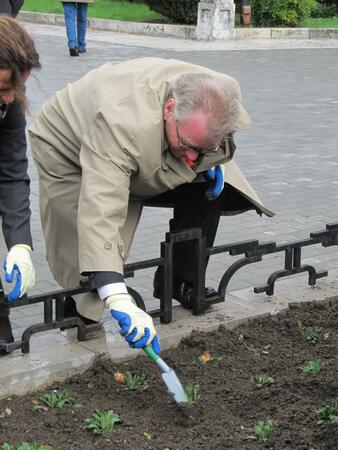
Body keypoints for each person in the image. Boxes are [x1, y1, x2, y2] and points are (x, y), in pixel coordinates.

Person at [29, 57, 273, 355]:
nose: (193, 160)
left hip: (140, 143)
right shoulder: (121, 123)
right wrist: (117, 294)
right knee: (86, 244)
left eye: (203, 150)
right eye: (188, 147)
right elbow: (101, 211)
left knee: (209, 187)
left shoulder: (223, 95)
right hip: (68, 148)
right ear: (170, 109)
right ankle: (78, 321)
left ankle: (181, 281)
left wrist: (209, 157)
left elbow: (200, 148)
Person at [0, 16, 41, 352]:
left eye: (18, 88)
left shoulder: (10, 98)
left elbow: (12, 169)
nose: (11, 99)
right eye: (3, 89)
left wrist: (19, 246)